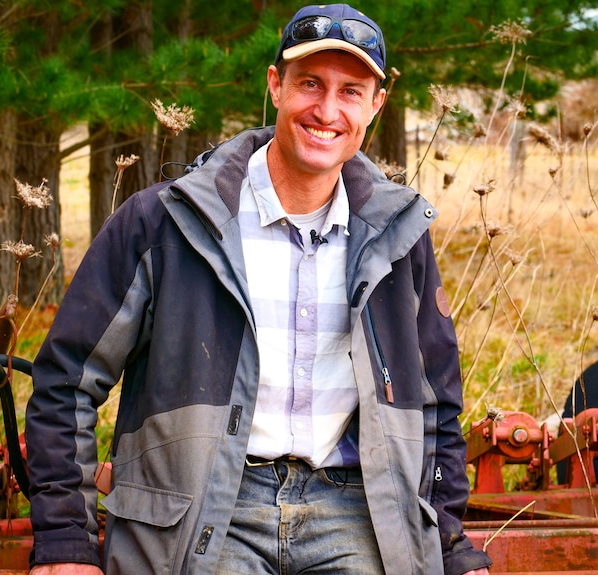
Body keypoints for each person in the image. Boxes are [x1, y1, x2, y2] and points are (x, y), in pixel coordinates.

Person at [25, 4, 492, 574]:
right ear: (275, 86)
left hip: (352, 511)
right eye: (310, 84)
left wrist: (450, 548)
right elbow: (67, 379)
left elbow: (436, 405)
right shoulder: (166, 222)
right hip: (205, 510)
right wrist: (67, 539)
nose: (326, 110)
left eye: (350, 92)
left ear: (376, 105)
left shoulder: (398, 237)